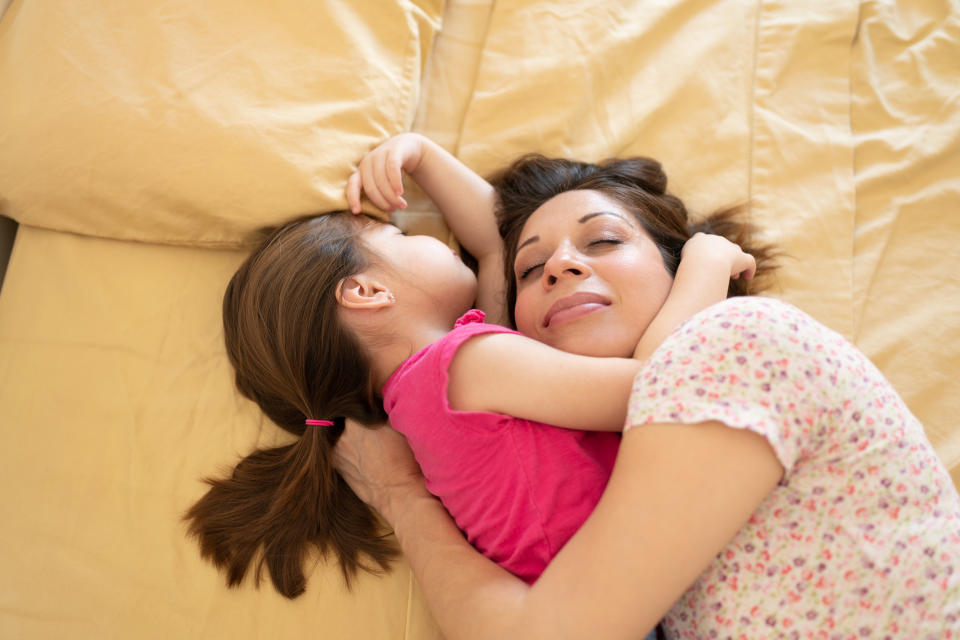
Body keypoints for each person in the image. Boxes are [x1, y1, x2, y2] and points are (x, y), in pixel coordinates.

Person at [333, 143, 960, 637]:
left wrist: (400, 495)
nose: (559, 266)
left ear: (677, 266)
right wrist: (421, 154)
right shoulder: (513, 386)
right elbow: (493, 254)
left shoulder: (743, 342)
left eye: (604, 240)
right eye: (532, 269)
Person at [184, 133, 768, 603]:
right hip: (605, 591)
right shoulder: (465, 364)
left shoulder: (426, 395)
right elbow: (651, 389)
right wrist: (704, 263)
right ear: (365, 291)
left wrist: (423, 155)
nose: (431, 237)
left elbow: (493, 244)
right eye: (399, 233)